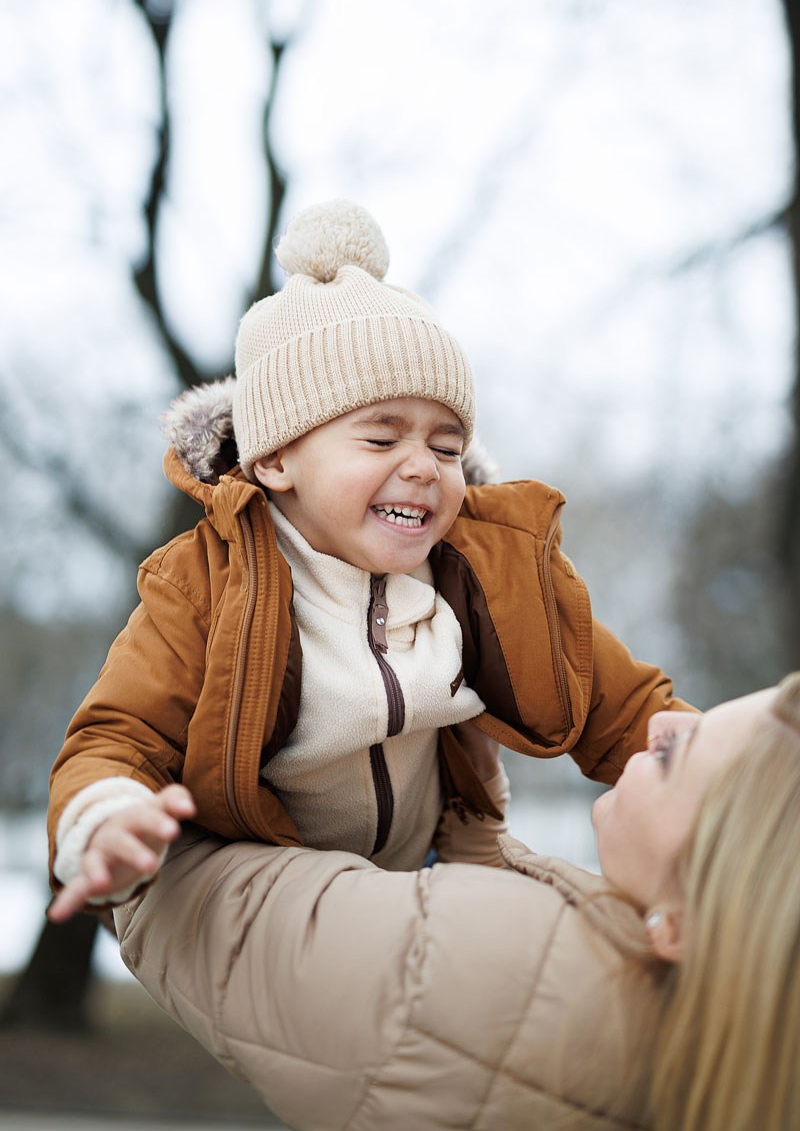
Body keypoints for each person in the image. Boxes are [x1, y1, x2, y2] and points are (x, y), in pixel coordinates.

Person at [47, 198, 690, 918]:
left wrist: (710, 760)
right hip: (259, 884)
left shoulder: (480, 568)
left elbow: (618, 703)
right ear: (276, 460)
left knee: (578, 937)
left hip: (428, 863)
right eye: (382, 440)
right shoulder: (206, 585)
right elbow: (123, 733)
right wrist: (105, 817)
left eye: (447, 446)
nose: (423, 466)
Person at [101, 677, 800, 1131]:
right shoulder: (730, 1046)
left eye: (677, 755)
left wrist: (122, 815)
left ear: (689, 917)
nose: (661, 724)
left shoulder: (484, 973)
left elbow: (194, 910)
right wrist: (469, 821)